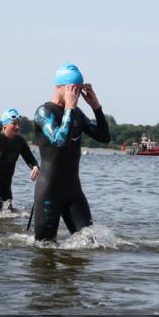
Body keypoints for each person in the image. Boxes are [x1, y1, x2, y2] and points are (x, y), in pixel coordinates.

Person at [32, 63, 111, 241]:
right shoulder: (44, 112)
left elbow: (104, 137)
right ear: (61, 87)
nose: (76, 93)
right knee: (45, 248)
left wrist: (96, 107)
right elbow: (59, 141)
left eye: (79, 89)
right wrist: (68, 108)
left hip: (73, 191)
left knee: (90, 243)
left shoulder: (76, 114)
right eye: (73, 88)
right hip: (49, 191)